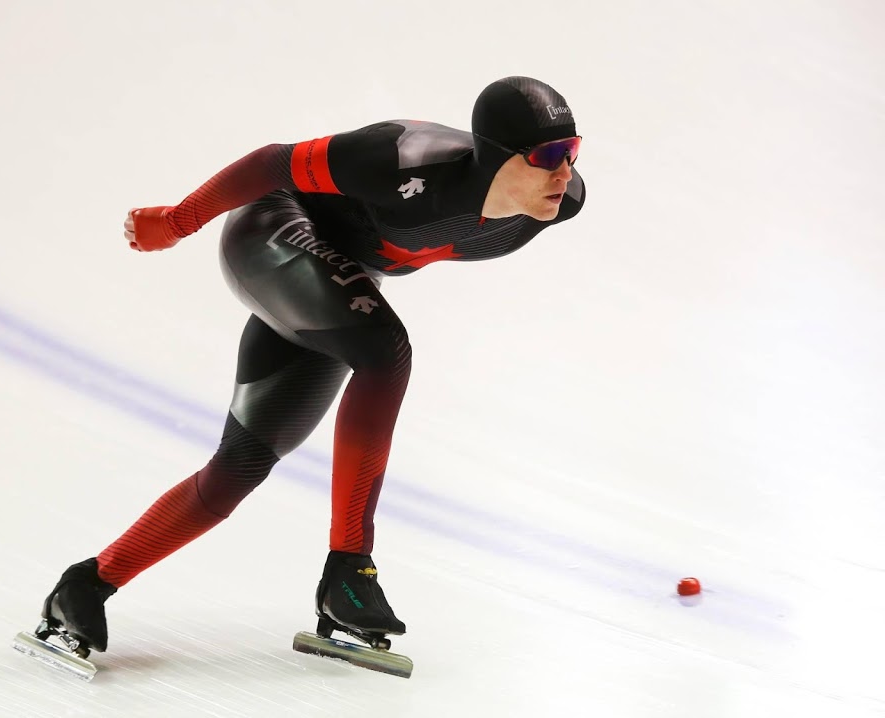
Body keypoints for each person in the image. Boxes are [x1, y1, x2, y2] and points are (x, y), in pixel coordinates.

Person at [38, 76, 586, 656]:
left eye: (573, 152)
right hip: (275, 229)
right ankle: (350, 567)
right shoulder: (399, 160)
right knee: (384, 352)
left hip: (334, 277)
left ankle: (86, 585)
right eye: (549, 156)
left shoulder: (555, 205)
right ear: (495, 155)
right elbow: (274, 163)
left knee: (241, 464)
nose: (565, 174)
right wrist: (176, 222)